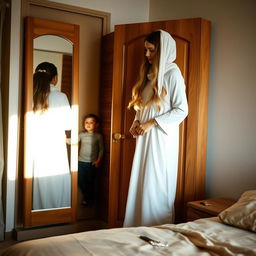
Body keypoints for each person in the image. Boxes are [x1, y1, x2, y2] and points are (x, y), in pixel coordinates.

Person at [123, 30, 188, 227]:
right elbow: (146, 105)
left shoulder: (173, 73)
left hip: (161, 140)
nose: (147, 55)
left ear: (163, 50)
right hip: (145, 139)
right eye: (146, 50)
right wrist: (136, 121)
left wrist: (151, 123)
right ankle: (136, 230)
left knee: (156, 185)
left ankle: (157, 230)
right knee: (142, 182)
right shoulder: (151, 75)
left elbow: (182, 110)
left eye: (151, 51)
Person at [32, 62, 72, 210]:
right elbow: (69, 124)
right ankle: (59, 213)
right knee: (57, 180)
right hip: (55, 146)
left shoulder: (30, 96)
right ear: (54, 78)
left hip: (36, 145)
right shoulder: (60, 97)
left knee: (39, 181)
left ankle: (36, 213)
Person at [78, 114, 104, 206]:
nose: (88, 124)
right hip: (81, 162)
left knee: (90, 182)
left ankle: (88, 200)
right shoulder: (81, 135)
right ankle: (89, 198)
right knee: (80, 180)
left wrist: (98, 160)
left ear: (96, 125)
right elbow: (73, 141)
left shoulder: (98, 136)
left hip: (92, 163)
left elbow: (101, 149)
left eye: (91, 122)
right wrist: (64, 139)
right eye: (86, 122)